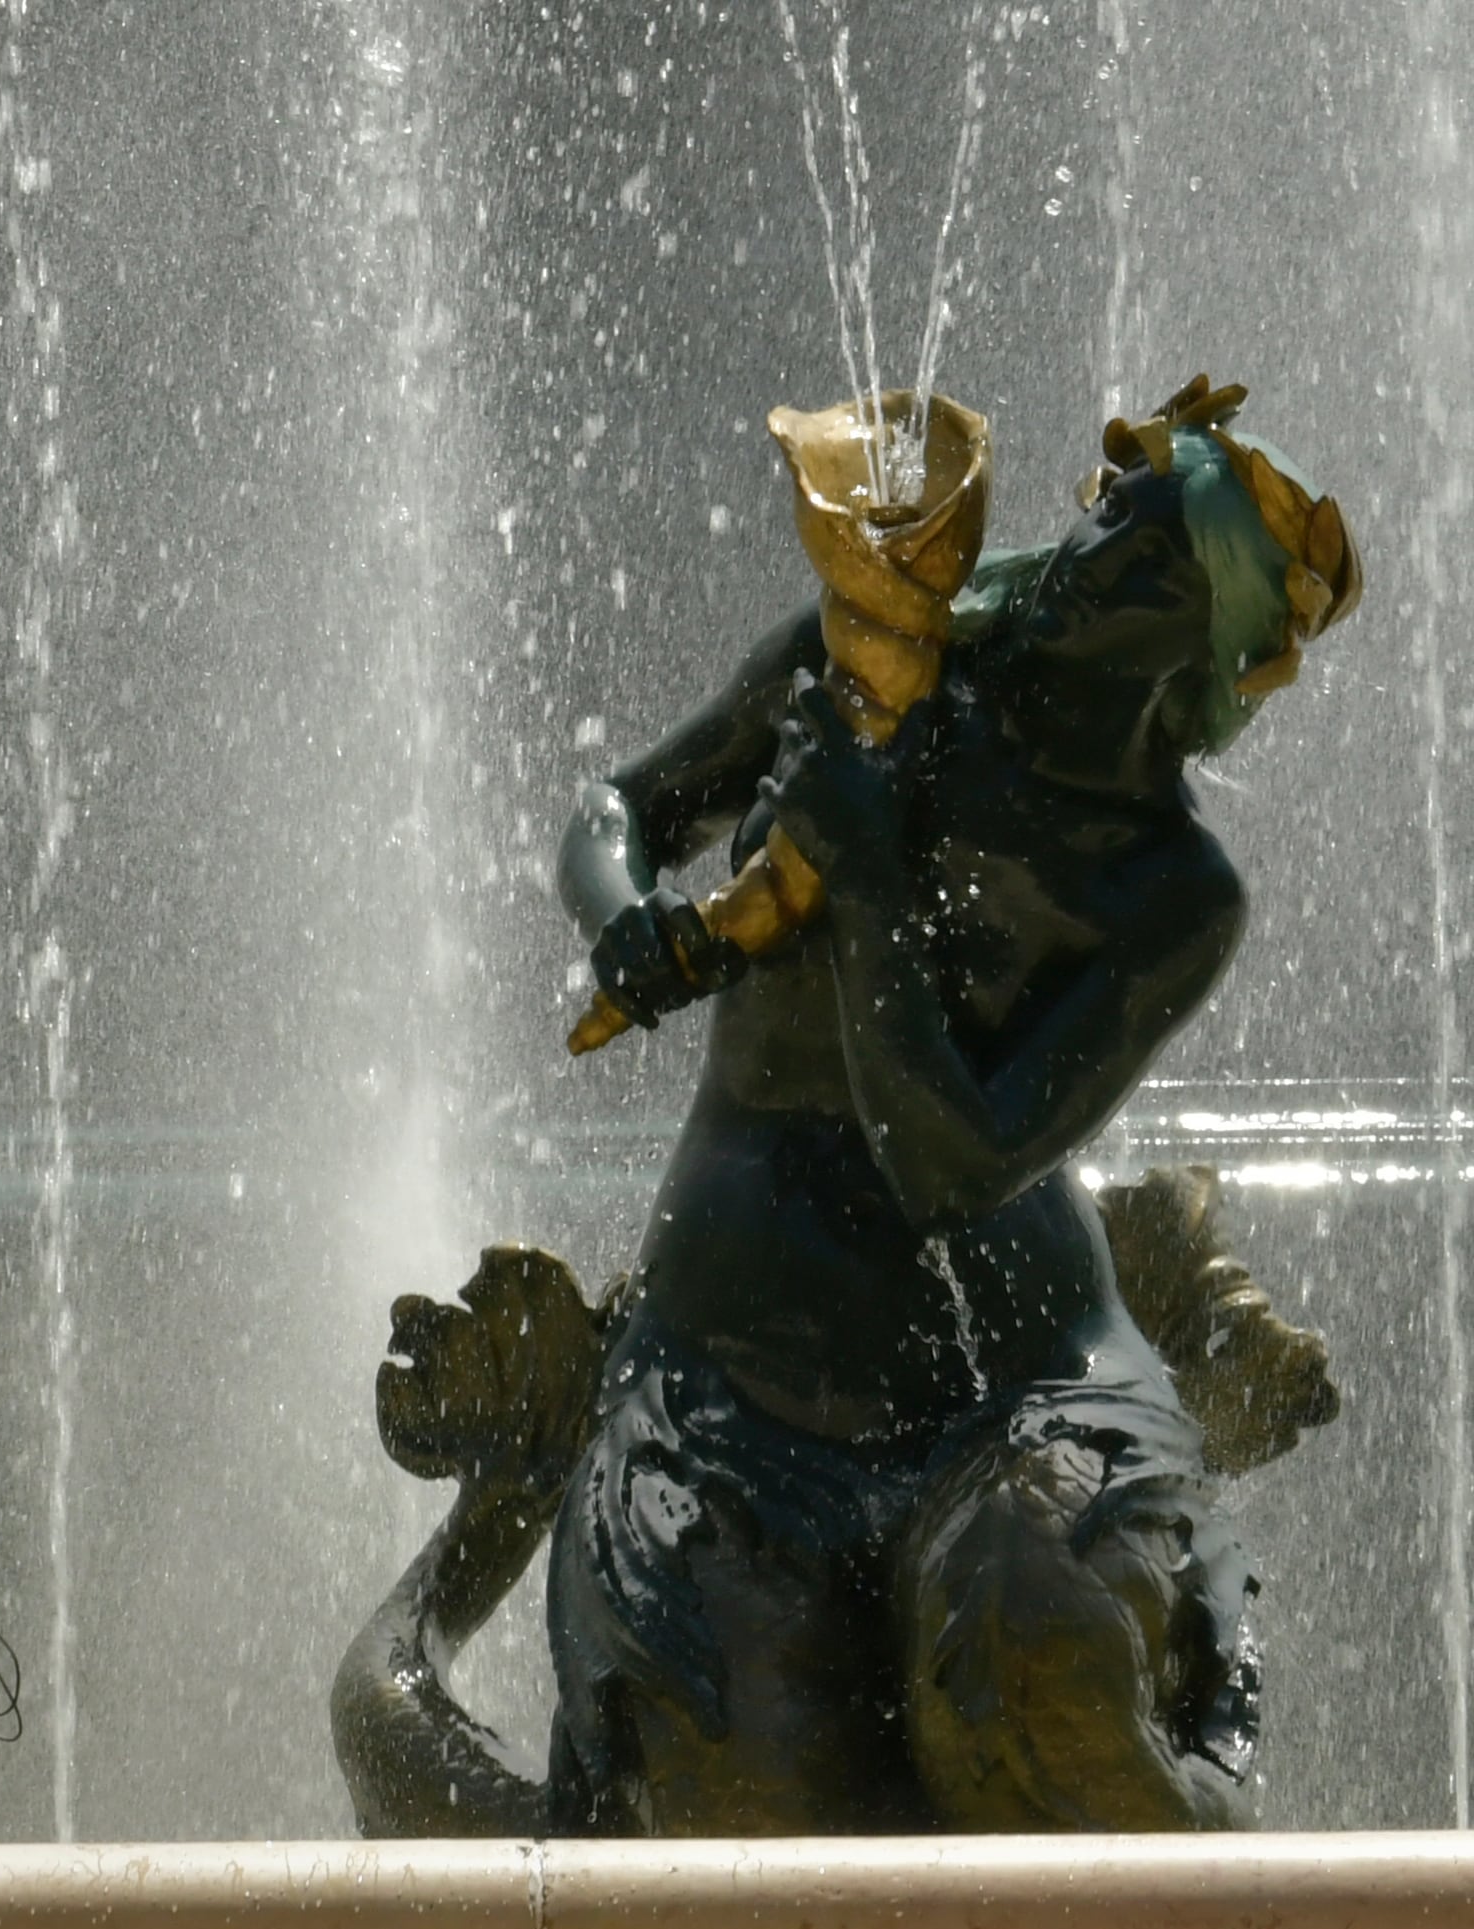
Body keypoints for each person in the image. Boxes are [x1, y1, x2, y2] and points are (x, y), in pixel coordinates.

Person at [552, 379, 1358, 1832]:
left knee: (1032, 1677)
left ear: (1203, 652)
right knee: (735, 1798)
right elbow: (622, 806)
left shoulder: (1168, 894)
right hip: (730, 1378)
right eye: (1110, 508)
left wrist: (860, 881)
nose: (1093, 544)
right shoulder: (861, 668)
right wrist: (621, 918)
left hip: (1019, 1389)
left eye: (1151, 549)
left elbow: (950, 1166)